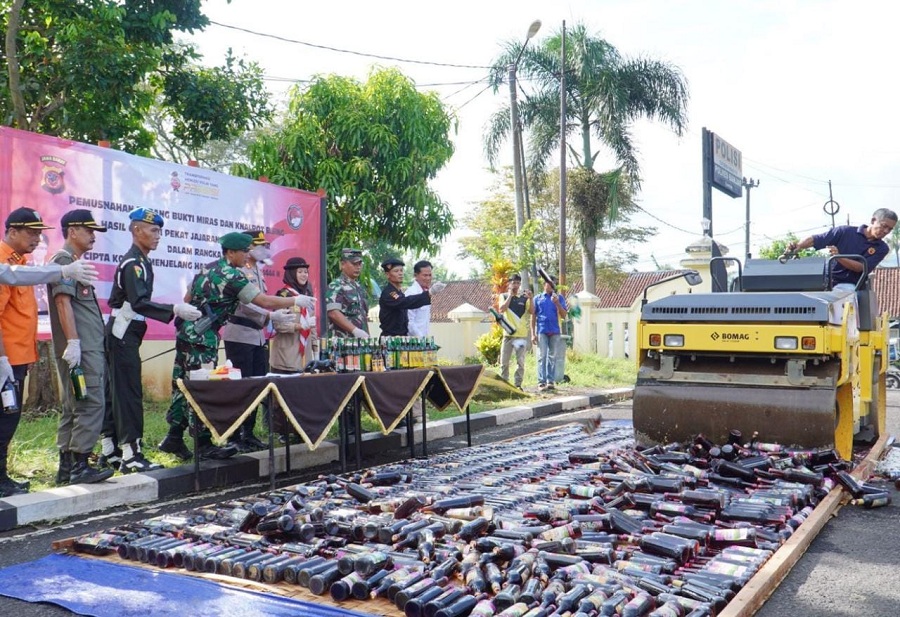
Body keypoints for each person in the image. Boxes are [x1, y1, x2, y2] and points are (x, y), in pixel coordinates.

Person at [158, 232, 315, 461]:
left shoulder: (207, 269)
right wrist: (294, 301)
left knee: (183, 385)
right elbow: (262, 300)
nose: (247, 255)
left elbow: (188, 296)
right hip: (204, 337)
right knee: (202, 388)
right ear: (230, 252)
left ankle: (173, 437)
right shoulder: (232, 275)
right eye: (243, 251)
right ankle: (202, 443)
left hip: (188, 332)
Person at [103, 207, 202, 474]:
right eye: (154, 230)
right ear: (137, 230)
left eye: (160, 231)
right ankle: (131, 454)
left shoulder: (142, 260)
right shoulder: (133, 263)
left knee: (118, 390)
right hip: (122, 332)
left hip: (127, 332)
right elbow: (139, 302)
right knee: (128, 393)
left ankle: (110, 449)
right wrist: (174, 310)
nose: (158, 236)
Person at [48, 210, 115, 486]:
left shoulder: (71, 262)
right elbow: (63, 303)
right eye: (89, 231)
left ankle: (66, 468)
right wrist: (75, 342)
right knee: (90, 402)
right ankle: (80, 466)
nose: (93, 237)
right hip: (81, 350)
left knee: (73, 404)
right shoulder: (63, 261)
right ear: (72, 230)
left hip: (83, 348)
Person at [0, 207, 55, 497]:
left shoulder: (19, 262)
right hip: (6, 359)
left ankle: (2, 476)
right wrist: (2, 359)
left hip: (18, 357)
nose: (37, 239)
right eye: (31, 233)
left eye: (39, 233)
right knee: (5, 418)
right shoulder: (4, 262)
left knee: (9, 418)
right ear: (12, 232)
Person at [221, 230, 278, 452]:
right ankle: (234, 435)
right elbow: (246, 304)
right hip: (240, 335)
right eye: (259, 245)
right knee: (240, 387)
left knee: (256, 385)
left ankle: (249, 432)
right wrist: (269, 316)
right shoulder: (239, 271)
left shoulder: (256, 269)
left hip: (256, 335)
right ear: (248, 247)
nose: (265, 249)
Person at [788, 208, 897, 290]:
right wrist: (798, 246)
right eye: (884, 226)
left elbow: (861, 268)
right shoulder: (844, 231)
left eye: (889, 229)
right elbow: (816, 239)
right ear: (873, 220)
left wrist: (838, 257)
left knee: (844, 295)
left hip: (848, 285)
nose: (886, 231)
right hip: (823, 280)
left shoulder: (882, 248)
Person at [270, 257, 318, 374]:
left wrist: (316, 352)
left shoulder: (307, 295)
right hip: (285, 360)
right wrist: (300, 326)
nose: (304, 275)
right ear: (291, 274)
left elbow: (312, 327)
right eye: (300, 272)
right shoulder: (283, 296)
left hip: (305, 360)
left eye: (306, 272)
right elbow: (279, 325)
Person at [531, 274, 568, 392]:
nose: (551, 285)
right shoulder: (537, 298)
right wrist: (533, 333)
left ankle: (550, 381)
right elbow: (533, 316)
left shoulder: (559, 298)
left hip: (555, 331)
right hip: (542, 330)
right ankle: (541, 382)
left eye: (553, 283)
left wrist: (557, 303)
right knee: (542, 356)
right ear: (544, 284)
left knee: (552, 357)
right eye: (549, 283)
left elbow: (564, 315)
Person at [378, 257, 431, 337]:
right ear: (387, 275)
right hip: (390, 338)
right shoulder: (389, 293)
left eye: (401, 270)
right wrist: (428, 294)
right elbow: (405, 302)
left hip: (401, 338)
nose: (400, 273)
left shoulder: (399, 293)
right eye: (396, 271)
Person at [326, 248, 370, 338]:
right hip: (342, 344)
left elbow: (363, 315)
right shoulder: (336, 286)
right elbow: (333, 313)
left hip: (361, 342)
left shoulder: (359, 288)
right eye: (354, 264)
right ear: (343, 264)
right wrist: (355, 330)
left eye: (359, 264)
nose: (358, 267)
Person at [498, 274, 532, 390]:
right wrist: (510, 296)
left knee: (520, 362)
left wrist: (531, 298)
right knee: (504, 361)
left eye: (518, 283)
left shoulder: (524, 298)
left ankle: (518, 384)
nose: (516, 285)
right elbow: (502, 309)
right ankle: (504, 384)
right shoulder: (503, 296)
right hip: (508, 334)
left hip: (520, 335)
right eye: (514, 283)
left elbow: (532, 311)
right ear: (509, 283)